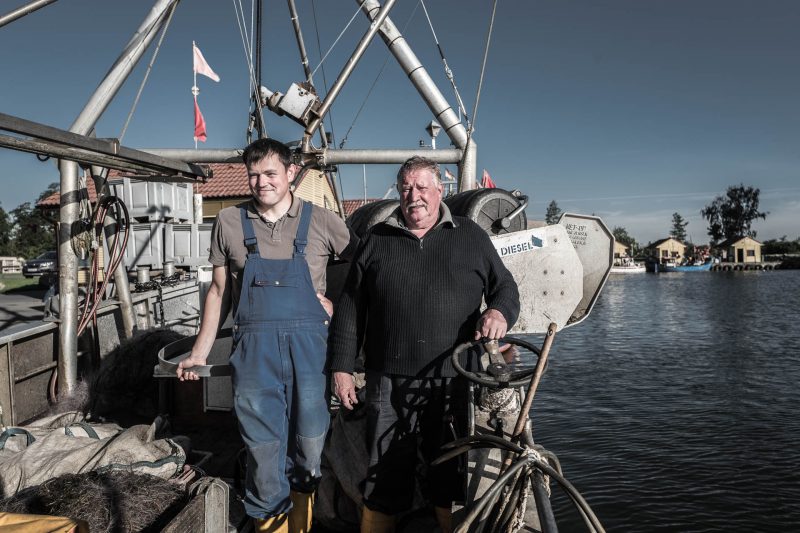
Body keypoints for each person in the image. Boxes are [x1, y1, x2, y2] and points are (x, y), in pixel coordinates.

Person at [328, 156, 520, 533]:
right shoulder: (377, 239)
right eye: (405, 188)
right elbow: (350, 309)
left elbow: (506, 287)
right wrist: (341, 367)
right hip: (388, 380)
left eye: (421, 187)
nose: (413, 195)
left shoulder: (470, 235)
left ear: (439, 191)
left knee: (448, 473)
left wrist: (499, 312)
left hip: (453, 378)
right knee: (383, 473)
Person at [176, 138, 356, 533]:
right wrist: (199, 353)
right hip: (255, 357)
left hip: (311, 356)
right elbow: (219, 292)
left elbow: (364, 272)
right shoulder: (229, 222)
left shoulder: (323, 221)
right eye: (254, 175)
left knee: (310, 445)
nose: (262, 182)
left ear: (291, 172)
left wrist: (335, 304)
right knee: (263, 451)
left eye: (271, 173)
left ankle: (301, 522)